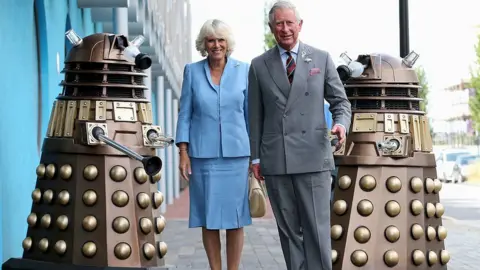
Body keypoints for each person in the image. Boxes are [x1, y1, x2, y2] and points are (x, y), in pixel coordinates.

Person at [248, 1, 352, 270]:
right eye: (279, 23)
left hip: (314, 156)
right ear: (271, 27)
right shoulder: (259, 65)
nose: (285, 29)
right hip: (276, 159)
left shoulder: (321, 58)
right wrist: (255, 158)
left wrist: (341, 125)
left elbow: (341, 103)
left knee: (317, 230)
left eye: (289, 23)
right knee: (290, 232)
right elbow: (255, 115)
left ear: (300, 25)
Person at [175, 19, 252, 270]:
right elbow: (184, 113)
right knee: (208, 218)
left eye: (220, 40)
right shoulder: (192, 71)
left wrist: (256, 157)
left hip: (237, 156)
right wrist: (183, 152)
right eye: (211, 40)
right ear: (204, 44)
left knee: (235, 218)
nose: (216, 45)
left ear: (227, 43)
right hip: (203, 156)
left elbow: (251, 114)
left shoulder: (244, 70)